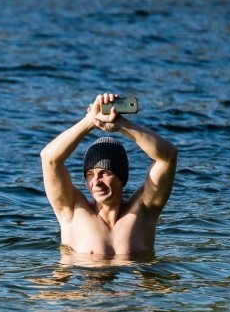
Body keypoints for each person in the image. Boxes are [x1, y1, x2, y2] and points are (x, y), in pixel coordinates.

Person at [40, 93, 177, 256]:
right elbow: (49, 158)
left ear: (121, 178)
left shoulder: (144, 211)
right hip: (83, 280)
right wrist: (90, 121)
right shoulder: (71, 211)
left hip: (130, 280)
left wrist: (121, 124)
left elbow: (168, 156)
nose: (96, 182)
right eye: (90, 174)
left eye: (105, 173)